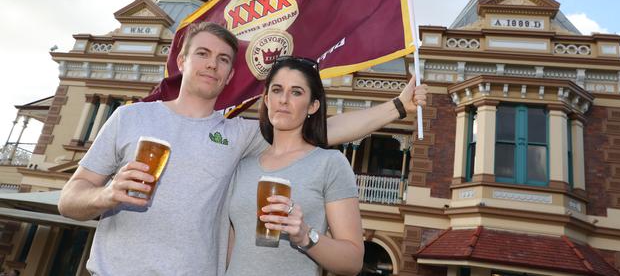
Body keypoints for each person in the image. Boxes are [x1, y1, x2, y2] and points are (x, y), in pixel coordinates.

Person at [58, 22, 427, 275]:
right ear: (182, 61)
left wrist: (397, 107)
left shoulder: (238, 135)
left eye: (223, 59)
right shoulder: (130, 118)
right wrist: (106, 195)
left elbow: (320, 129)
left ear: (231, 75)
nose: (212, 64)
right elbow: (69, 199)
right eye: (202, 53)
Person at [225, 56, 362, 275]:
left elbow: (353, 262)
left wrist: (306, 235)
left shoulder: (330, 164)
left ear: (313, 106)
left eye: (296, 92)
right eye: (277, 90)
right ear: (267, 99)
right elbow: (232, 248)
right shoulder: (243, 164)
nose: (284, 99)